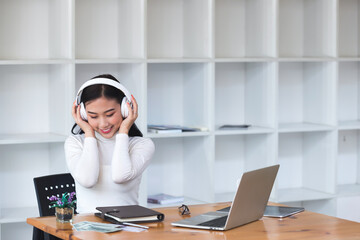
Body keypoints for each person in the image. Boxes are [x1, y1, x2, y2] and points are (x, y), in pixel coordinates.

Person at [64, 74, 155, 213]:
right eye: (93, 116)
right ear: (82, 114)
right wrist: (89, 133)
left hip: (128, 228)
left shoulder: (141, 145)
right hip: (87, 230)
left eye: (110, 114)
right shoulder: (76, 143)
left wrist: (124, 130)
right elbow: (88, 181)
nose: (103, 124)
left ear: (125, 108)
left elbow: (120, 176)